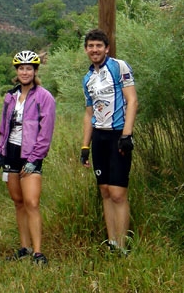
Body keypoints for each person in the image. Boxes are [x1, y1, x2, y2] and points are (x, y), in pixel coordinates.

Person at [0, 50, 56, 265]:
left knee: (31, 202)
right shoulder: (10, 97)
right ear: (16, 71)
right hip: (11, 151)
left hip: (30, 155)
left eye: (29, 68)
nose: (25, 72)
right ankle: (24, 247)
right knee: (18, 202)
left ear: (35, 70)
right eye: (21, 68)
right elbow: (4, 128)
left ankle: (38, 252)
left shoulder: (44, 96)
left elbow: (45, 131)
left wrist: (35, 159)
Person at [80, 29, 138, 255]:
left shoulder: (118, 66)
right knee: (104, 190)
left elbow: (132, 100)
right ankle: (112, 242)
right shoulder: (88, 78)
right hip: (99, 137)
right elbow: (88, 114)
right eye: (90, 46)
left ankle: (123, 246)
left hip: (117, 135)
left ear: (107, 48)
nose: (94, 50)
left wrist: (127, 134)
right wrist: (85, 146)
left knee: (118, 193)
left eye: (98, 46)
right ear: (86, 50)